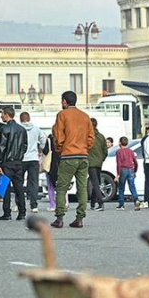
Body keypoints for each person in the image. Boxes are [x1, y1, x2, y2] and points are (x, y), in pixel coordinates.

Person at [51, 91, 94, 228]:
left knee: (62, 187)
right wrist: (84, 147)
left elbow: (59, 136)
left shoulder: (62, 115)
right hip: (83, 155)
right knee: (82, 187)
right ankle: (80, 218)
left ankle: (59, 218)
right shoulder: (85, 116)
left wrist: (61, 148)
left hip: (68, 155)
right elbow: (91, 137)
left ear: (64, 101)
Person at [0, 107, 28, 221]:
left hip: (7, 163)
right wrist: (20, 156)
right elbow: (25, 146)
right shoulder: (22, 129)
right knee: (19, 188)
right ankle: (22, 212)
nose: (1, 116)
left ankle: (7, 213)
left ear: (7, 115)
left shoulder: (5, 129)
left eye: (2, 114)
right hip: (18, 162)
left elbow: (1, 148)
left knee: (6, 188)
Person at [19, 111, 47, 213]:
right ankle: (34, 205)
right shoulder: (36, 129)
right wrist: (40, 149)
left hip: (21, 159)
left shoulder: (18, 128)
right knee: (34, 182)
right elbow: (43, 139)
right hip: (33, 159)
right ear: (29, 118)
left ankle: (19, 203)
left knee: (19, 182)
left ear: (20, 119)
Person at [87, 117, 108, 211]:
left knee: (95, 183)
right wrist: (101, 159)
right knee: (97, 182)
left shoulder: (87, 137)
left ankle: (100, 203)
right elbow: (105, 151)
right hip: (99, 163)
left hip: (90, 162)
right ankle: (92, 203)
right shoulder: (101, 136)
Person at [115, 136, 140, 211]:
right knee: (132, 186)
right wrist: (135, 171)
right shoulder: (130, 151)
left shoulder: (118, 152)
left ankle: (121, 204)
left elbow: (119, 163)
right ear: (127, 143)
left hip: (123, 169)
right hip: (131, 169)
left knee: (121, 187)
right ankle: (136, 200)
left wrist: (118, 174)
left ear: (119, 142)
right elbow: (135, 162)